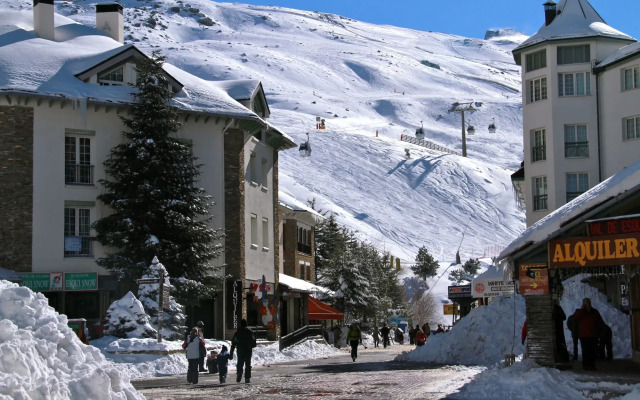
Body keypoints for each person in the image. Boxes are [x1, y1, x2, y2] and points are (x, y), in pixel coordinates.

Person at [573, 298, 605, 371]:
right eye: (585, 303)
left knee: (593, 350)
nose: (587, 305)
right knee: (585, 350)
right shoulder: (580, 312)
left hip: (593, 334)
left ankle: (592, 364)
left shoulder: (594, 312)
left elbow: (600, 321)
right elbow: (575, 317)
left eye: (588, 303)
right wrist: (583, 309)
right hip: (584, 335)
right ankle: (586, 365)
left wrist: (601, 331)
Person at [230, 319, 257, 383]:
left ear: (241, 324)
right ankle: (247, 378)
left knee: (240, 363)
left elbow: (234, 342)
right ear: (246, 324)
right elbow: (253, 341)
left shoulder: (238, 333)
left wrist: (231, 353)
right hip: (248, 350)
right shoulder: (250, 332)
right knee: (248, 364)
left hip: (240, 349)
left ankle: (239, 372)